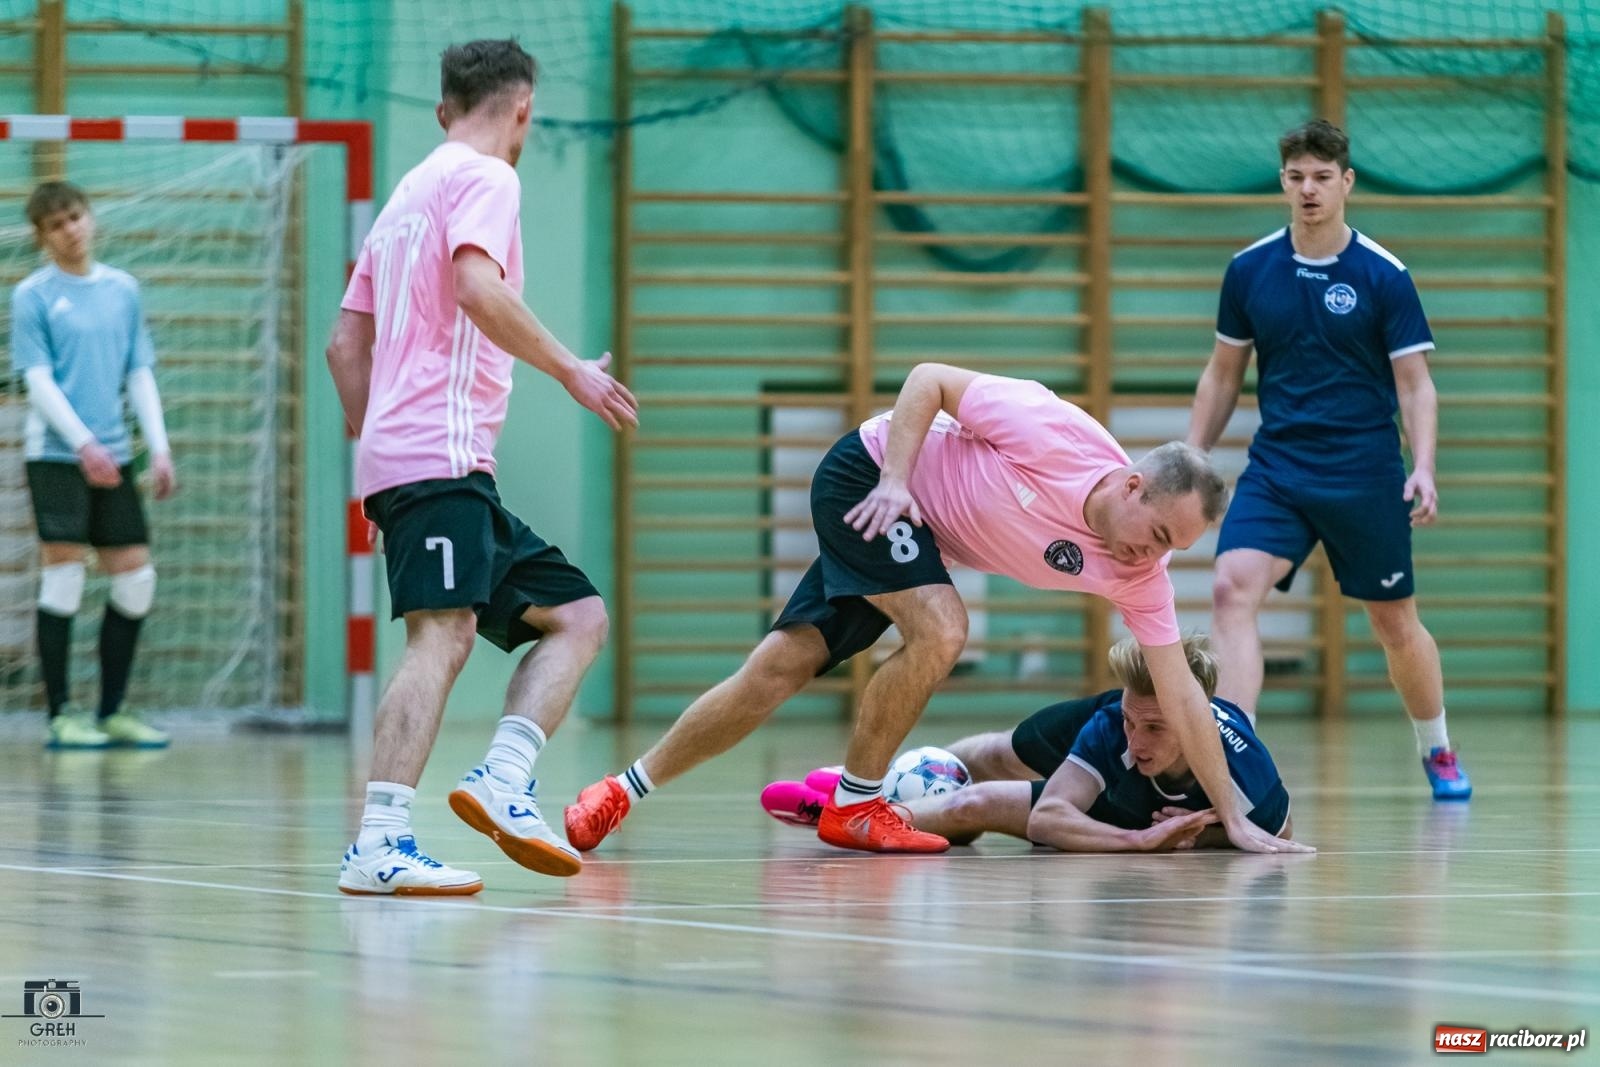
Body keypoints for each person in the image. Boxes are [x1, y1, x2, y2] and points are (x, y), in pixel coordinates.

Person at [567, 362, 1314, 856]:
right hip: (870, 479)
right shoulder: (1050, 430)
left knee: (778, 669)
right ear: (1128, 486)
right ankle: (860, 802)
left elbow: (1181, 690)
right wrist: (896, 481)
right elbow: (927, 380)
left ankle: (618, 790)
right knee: (944, 627)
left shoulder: (1141, 573)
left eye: (1172, 549)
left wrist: (1238, 819)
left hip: (923, 543)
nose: (1153, 559)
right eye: (1154, 535)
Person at [324, 38, 639, 896]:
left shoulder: (401, 198)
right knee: (445, 634)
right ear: (525, 109)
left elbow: (343, 343)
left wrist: (374, 446)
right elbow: (476, 287)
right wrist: (572, 367)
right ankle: (378, 842)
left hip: (423, 462)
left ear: (442, 109)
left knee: (576, 613)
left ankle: (504, 778)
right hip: (438, 456)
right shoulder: (489, 178)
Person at [1185, 119, 1469, 800]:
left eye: (1321, 177)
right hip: (1280, 465)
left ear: (1346, 183)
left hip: (1364, 469)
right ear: (1283, 182)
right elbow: (1224, 373)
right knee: (1230, 587)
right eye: (1295, 177)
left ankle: (1437, 748)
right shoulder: (1251, 268)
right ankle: (1237, 753)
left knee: (1394, 623)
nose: (1308, 189)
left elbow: (1415, 384)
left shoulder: (1383, 274)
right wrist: (1192, 455)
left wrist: (1422, 465)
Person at [762, 634, 1292, 852]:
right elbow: (1048, 816)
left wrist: (1198, 837)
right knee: (995, 757)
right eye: (1135, 721)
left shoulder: (1249, 775)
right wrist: (1137, 843)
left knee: (975, 805)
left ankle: (851, 810)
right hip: (1099, 755)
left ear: (1195, 725)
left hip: (1133, 802)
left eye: (1155, 728)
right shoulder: (1113, 725)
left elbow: (1279, 827)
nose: (1138, 738)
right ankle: (892, 777)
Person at [10, 181, 176, 751]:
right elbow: (36, 380)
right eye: (57, 225)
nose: (71, 230)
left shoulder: (122, 290)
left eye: (76, 217)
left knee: (136, 579)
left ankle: (112, 711)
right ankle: (61, 714)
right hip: (57, 457)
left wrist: (158, 446)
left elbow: (138, 372)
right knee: (64, 578)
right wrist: (83, 444)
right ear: (42, 237)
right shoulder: (32, 295)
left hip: (116, 456)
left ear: (91, 218)